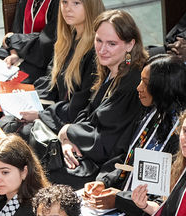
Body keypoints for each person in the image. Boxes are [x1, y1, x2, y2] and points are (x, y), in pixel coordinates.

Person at [80, 56, 186, 216]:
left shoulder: (185, 135)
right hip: (125, 201)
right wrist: (105, 182)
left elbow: (166, 195)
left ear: (164, 87)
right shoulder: (150, 115)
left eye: (145, 82)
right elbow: (125, 158)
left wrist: (120, 199)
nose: (138, 87)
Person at [50, 10, 148, 187]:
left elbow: (107, 142)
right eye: (99, 40)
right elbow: (88, 113)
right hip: (87, 148)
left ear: (130, 44)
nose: (102, 50)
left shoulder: (133, 83)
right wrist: (67, 138)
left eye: (111, 44)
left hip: (107, 167)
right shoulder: (112, 70)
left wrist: (68, 132)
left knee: (44, 167)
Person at [1, 0, 105, 137]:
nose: (68, 8)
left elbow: (80, 107)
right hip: (54, 108)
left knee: (10, 128)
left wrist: (41, 115)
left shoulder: (96, 50)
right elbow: (51, 78)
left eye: (76, 2)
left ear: (89, 3)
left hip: (69, 123)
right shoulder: (67, 37)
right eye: (64, 2)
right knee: (7, 117)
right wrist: (31, 99)